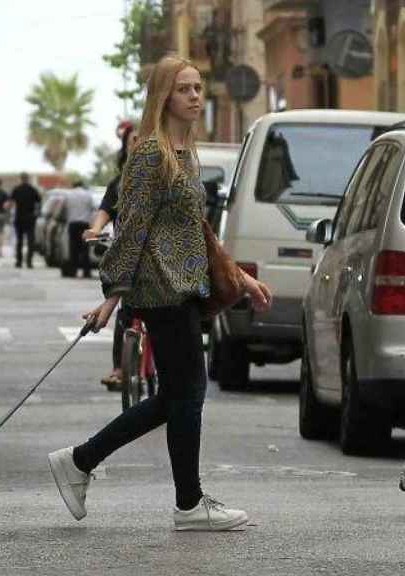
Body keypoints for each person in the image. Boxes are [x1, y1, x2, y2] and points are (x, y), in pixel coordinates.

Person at [47, 55, 272, 531]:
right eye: (185, 89)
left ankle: (81, 462)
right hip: (160, 290)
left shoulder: (184, 153)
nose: (195, 96)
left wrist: (240, 276)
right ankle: (187, 504)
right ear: (163, 96)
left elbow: (198, 228)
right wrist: (113, 294)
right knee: (187, 395)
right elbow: (132, 228)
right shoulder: (149, 153)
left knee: (175, 397)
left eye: (198, 88)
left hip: (185, 285)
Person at [84, 122, 138, 389]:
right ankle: (119, 367)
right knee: (124, 312)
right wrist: (94, 229)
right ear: (126, 147)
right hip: (125, 256)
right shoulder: (118, 183)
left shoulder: (159, 179)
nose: (138, 145)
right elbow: (105, 211)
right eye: (133, 140)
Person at [63, 179, 96, 278]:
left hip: (73, 224)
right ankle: (86, 272)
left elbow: (65, 208)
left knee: (73, 248)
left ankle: (73, 271)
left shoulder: (68, 195)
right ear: (82, 185)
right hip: (84, 224)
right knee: (85, 249)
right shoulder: (88, 194)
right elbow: (92, 208)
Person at [8, 172, 41, 269]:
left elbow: (11, 202)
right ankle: (29, 262)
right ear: (28, 179)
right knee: (31, 240)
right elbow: (39, 201)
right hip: (30, 218)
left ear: (21, 179)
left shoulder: (16, 189)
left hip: (19, 218)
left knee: (20, 240)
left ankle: (19, 261)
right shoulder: (33, 189)